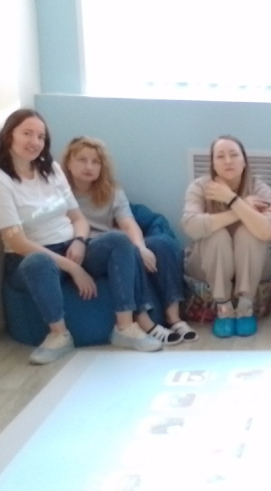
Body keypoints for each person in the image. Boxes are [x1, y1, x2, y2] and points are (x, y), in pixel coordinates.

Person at [0, 109, 162, 364]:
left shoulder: (52, 170)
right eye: (27, 133)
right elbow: (17, 242)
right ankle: (58, 335)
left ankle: (125, 327)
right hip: (30, 258)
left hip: (70, 246)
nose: (35, 142)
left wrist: (79, 242)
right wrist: (73, 268)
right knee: (38, 262)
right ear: (9, 135)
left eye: (41, 137)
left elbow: (78, 219)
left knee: (119, 240)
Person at [61, 136, 197, 345]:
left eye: (95, 162)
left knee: (162, 244)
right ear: (69, 163)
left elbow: (128, 223)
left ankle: (174, 317)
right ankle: (145, 322)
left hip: (116, 245)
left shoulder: (111, 190)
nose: (89, 166)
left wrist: (141, 247)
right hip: (82, 251)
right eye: (82, 160)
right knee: (122, 243)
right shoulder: (59, 192)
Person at [181, 135, 271, 338]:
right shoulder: (199, 187)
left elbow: (269, 231)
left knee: (249, 232)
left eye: (234, 155)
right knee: (216, 234)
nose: (228, 161)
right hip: (206, 265)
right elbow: (190, 225)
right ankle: (223, 308)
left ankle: (245, 308)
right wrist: (239, 210)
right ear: (213, 163)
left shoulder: (259, 188)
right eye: (220, 156)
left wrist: (232, 199)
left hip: (253, 265)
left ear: (244, 161)